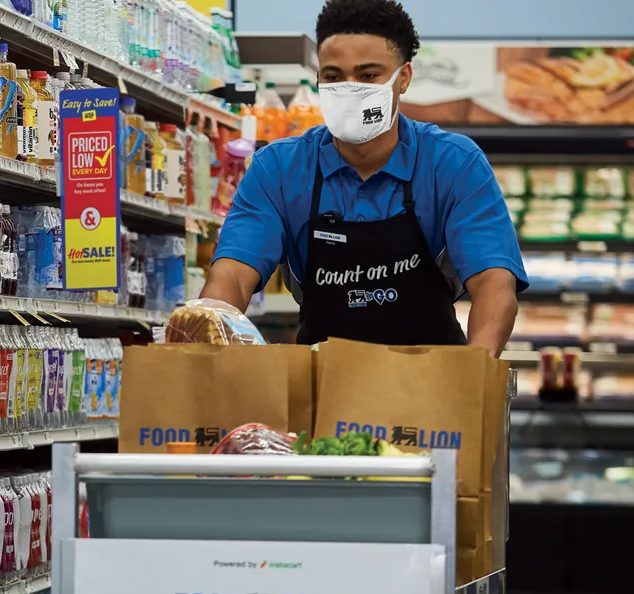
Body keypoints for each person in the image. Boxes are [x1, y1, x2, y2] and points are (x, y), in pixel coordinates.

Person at [201, 0, 527, 356]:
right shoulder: (278, 169)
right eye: (333, 77)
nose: (349, 88)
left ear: (403, 78)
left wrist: (474, 374)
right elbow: (231, 276)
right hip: (321, 388)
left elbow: (495, 286)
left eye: (368, 76)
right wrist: (207, 334)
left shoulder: (453, 164)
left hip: (433, 388)